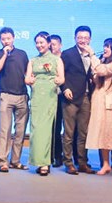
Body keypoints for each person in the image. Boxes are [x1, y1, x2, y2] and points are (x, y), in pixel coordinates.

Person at [84, 38, 112, 175]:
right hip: (99, 100)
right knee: (102, 134)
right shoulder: (104, 62)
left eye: (108, 47)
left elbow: (101, 71)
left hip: (110, 102)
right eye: (104, 46)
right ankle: (105, 164)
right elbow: (97, 79)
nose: (105, 48)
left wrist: (92, 55)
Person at [0, 27, 31, 172]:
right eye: (3, 39)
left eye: (8, 38)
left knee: (20, 131)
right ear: (0, 40)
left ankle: (15, 160)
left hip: (22, 96)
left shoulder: (22, 54)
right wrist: (4, 54)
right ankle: (3, 162)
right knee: (4, 131)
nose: (6, 41)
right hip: (5, 96)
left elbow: (27, 73)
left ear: (13, 38)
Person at [25, 31, 64, 176]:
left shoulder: (57, 60)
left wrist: (58, 80)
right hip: (36, 97)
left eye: (42, 42)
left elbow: (62, 78)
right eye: (37, 42)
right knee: (36, 129)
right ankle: (37, 160)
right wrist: (30, 80)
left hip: (49, 96)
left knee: (47, 130)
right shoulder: (32, 60)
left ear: (48, 44)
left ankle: (45, 163)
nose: (39, 45)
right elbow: (27, 78)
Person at [61, 26, 96, 175]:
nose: (82, 40)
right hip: (70, 97)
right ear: (75, 38)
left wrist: (92, 56)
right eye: (80, 37)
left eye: (85, 38)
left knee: (84, 133)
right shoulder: (67, 54)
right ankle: (68, 163)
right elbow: (60, 74)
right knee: (69, 133)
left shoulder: (92, 55)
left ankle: (82, 162)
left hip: (86, 97)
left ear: (90, 39)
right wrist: (65, 88)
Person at [49, 34, 66, 167]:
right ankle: (56, 156)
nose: (51, 47)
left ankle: (72, 156)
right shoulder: (46, 59)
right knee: (54, 128)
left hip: (65, 96)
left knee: (70, 129)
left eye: (54, 44)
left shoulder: (66, 58)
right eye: (50, 45)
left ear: (60, 45)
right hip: (51, 96)